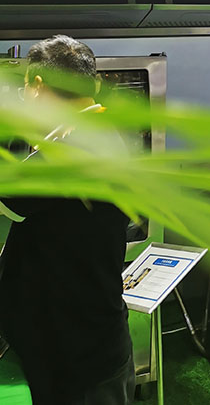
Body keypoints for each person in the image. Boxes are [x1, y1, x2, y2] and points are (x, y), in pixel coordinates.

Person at [0, 36, 134, 405]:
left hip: (78, 354)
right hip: (89, 332)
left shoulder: (74, 147)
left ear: (38, 86)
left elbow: (10, 197)